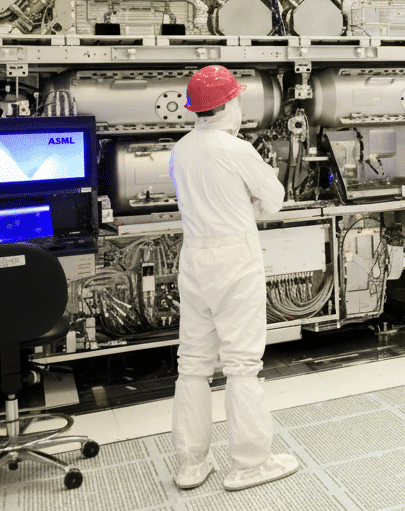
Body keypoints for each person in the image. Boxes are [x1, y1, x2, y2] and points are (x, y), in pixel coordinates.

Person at [167, 65, 297, 491]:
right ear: (227, 106)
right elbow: (275, 199)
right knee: (242, 365)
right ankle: (250, 463)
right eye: (238, 99)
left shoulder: (181, 150)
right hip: (233, 259)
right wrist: (252, 203)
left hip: (195, 259)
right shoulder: (236, 150)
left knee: (193, 364)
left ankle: (191, 463)